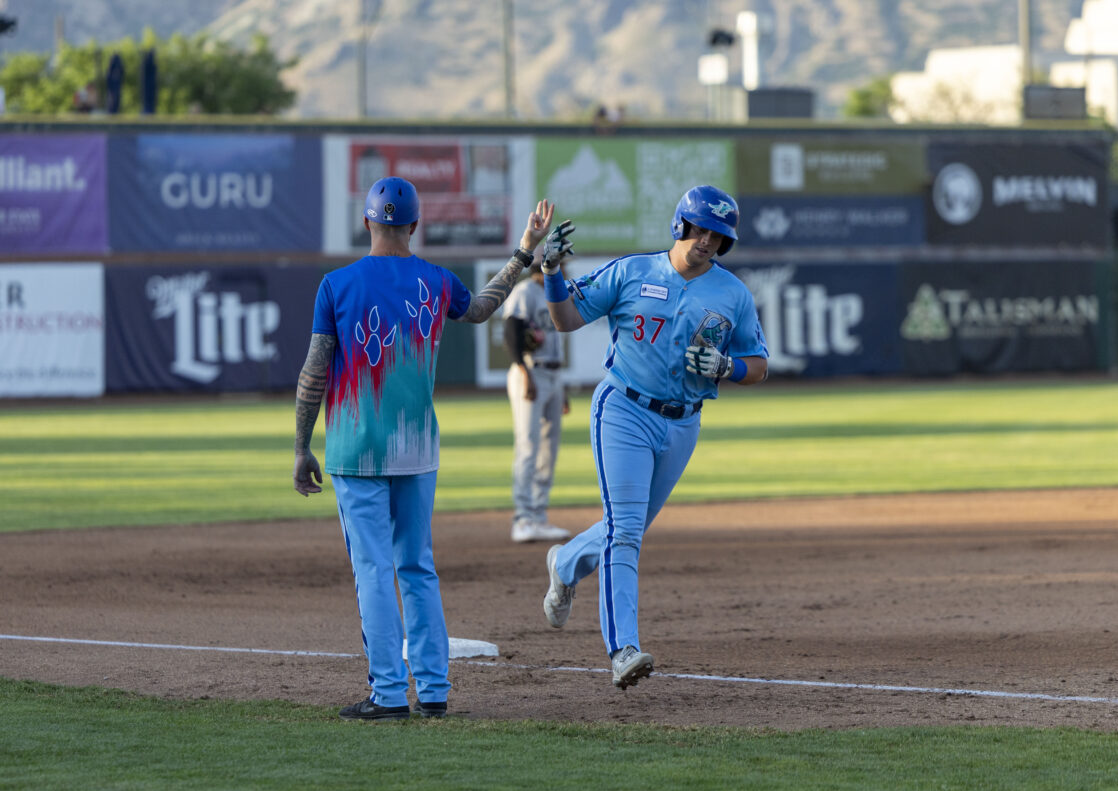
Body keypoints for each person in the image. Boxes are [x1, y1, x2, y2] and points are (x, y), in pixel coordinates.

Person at [293, 176, 557, 720]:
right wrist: (524, 252)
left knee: (373, 569)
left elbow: (313, 374)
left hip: (355, 448)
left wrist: (301, 446)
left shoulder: (335, 285)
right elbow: (483, 309)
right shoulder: (436, 281)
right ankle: (434, 691)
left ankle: (388, 694)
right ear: (414, 225)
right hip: (417, 447)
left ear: (367, 221)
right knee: (417, 566)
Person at [537, 185, 769, 690]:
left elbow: (760, 364)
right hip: (623, 409)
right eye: (699, 229)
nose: (706, 241)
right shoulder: (633, 271)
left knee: (629, 526)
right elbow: (567, 318)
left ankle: (566, 560)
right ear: (680, 225)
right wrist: (552, 273)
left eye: (717, 235)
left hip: (684, 422)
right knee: (625, 532)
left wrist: (729, 366)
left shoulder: (732, 294)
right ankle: (622, 650)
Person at [503, 256, 573, 543]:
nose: (564, 270)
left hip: (553, 375)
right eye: (560, 265)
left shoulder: (556, 294)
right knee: (529, 445)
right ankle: (522, 518)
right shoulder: (524, 292)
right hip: (530, 372)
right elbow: (511, 333)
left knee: (549, 448)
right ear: (542, 267)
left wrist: (562, 388)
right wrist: (524, 373)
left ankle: (538, 515)